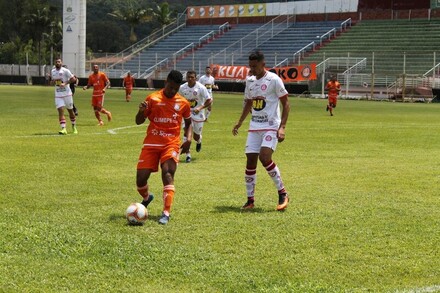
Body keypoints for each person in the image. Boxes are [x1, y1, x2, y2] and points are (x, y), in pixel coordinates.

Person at [232, 50, 290, 211]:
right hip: (254, 127)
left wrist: (282, 127)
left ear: (263, 64)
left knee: (265, 158)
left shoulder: (274, 80)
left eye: (255, 66)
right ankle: (250, 200)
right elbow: (248, 104)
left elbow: (286, 104)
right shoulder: (250, 81)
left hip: (271, 126)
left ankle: (283, 193)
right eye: (250, 66)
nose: (252, 69)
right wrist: (239, 122)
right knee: (250, 161)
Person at [135, 70, 192, 225]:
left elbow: (188, 123)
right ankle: (147, 198)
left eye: (176, 88)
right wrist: (141, 111)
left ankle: (166, 212)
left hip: (170, 143)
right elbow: (139, 121)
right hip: (151, 143)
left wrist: (189, 139)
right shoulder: (152, 99)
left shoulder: (183, 103)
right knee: (140, 180)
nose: (172, 91)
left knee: (167, 173)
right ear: (166, 81)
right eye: (170, 87)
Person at [179, 70, 212, 162]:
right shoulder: (182, 88)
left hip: (198, 114)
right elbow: (179, 99)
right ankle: (188, 155)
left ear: (195, 78)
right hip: (186, 114)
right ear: (186, 78)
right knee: (186, 133)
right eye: (188, 77)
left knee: (195, 136)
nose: (190, 79)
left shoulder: (201, 88)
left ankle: (199, 141)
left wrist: (200, 108)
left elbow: (209, 100)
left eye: (192, 77)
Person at [49, 58, 78, 135]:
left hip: (67, 94)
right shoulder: (53, 71)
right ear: (55, 63)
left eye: (59, 62)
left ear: (61, 62)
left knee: (70, 111)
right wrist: (52, 82)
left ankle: (74, 126)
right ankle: (63, 129)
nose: (57, 63)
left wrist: (65, 83)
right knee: (60, 111)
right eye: (56, 62)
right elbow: (52, 82)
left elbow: (73, 79)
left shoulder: (65, 70)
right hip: (58, 94)